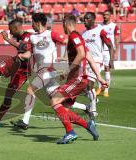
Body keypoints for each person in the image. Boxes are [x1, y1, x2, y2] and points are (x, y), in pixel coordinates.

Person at [49, 14, 107, 144]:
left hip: (78, 78)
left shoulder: (74, 35)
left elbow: (81, 54)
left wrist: (67, 70)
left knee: (54, 99)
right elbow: (89, 57)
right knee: (63, 106)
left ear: (65, 23)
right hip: (77, 79)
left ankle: (70, 133)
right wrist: (99, 77)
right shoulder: (77, 37)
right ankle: (88, 126)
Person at [10, 13, 67, 130]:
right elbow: (28, 53)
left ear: (37, 23)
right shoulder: (32, 37)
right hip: (41, 71)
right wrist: (21, 56)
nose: (31, 25)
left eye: (32, 23)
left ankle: (25, 121)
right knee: (55, 98)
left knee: (30, 89)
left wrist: (65, 57)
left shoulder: (51, 34)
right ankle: (86, 108)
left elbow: (67, 42)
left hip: (49, 69)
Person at [72, 12, 114, 119]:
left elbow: (110, 45)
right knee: (83, 87)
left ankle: (93, 111)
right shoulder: (83, 34)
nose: (84, 20)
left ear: (93, 19)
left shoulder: (100, 30)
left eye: (87, 18)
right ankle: (94, 99)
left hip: (96, 62)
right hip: (85, 62)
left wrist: (111, 60)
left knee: (90, 84)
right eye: (84, 19)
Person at [96, 10, 120, 97]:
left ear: (110, 16)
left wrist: (116, 53)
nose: (105, 16)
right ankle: (99, 88)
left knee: (107, 69)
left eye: (107, 15)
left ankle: (106, 90)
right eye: (104, 14)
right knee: (97, 70)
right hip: (99, 51)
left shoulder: (114, 26)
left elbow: (117, 40)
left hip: (108, 51)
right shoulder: (99, 26)